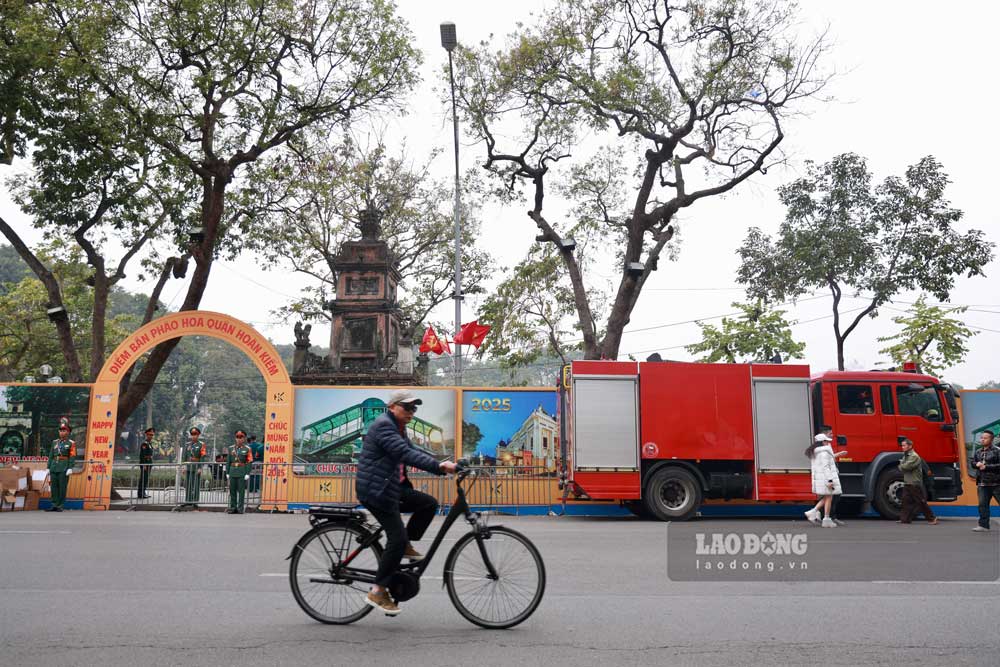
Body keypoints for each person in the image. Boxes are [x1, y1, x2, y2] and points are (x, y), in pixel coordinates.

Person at [356, 390, 457, 614]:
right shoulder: (384, 425)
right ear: (392, 407)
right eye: (407, 407)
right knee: (397, 537)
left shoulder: (399, 429)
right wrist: (440, 467)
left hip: (393, 487)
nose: (411, 412)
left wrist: (441, 463)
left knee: (428, 504)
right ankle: (378, 590)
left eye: (414, 408)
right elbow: (404, 453)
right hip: (377, 491)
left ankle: (404, 546)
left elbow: (414, 450)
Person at [804, 427, 847, 528]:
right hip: (826, 478)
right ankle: (824, 517)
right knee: (829, 497)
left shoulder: (816, 452)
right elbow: (826, 467)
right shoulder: (824, 453)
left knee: (828, 497)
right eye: (826, 441)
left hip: (821, 478)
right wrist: (830, 480)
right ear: (822, 442)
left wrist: (839, 454)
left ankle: (815, 513)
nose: (828, 442)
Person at [897, 437, 939, 525]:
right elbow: (903, 466)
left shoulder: (914, 456)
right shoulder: (906, 455)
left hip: (914, 483)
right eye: (902, 445)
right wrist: (902, 465)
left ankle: (932, 518)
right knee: (906, 501)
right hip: (908, 482)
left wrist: (901, 465)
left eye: (904, 445)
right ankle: (905, 519)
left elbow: (905, 467)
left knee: (920, 501)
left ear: (910, 446)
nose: (902, 447)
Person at [971, 430, 1000, 532]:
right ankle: (983, 526)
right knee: (983, 505)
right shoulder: (978, 451)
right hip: (982, 483)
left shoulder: (997, 451)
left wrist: (986, 467)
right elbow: (972, 462)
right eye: (981, 438)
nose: (982, 439)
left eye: (985, 438)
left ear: (991, 439)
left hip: (996, 483)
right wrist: (976, 464)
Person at [46, 422, 77, 512]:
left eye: (64, 431)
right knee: (54, 487)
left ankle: (60, 505)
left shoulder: (71, 443)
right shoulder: (54, 442)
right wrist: (48, 467)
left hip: (64, 467)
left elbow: (72, 456)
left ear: (68, 432)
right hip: (54, 467)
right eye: (60, 431)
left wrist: (70, 467)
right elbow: (51, 455)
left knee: (62, 487)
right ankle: (54, 504)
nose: (62, 432)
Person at [226, 430, 254, 514]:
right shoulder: (230, 448)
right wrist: (227, 472)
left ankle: (240, 508)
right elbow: (228, 461)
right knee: (232, 490)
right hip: (232, 471)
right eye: (237, 437)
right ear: (235, 438)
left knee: (241, 491)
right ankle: (233, 507)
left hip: (241, 472)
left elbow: (249, 462)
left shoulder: (247, 449)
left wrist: (247, 473)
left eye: (241, 437)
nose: (239, 439)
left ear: (244, 438)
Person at [183, 427, 207, 508]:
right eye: (192, 434)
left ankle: (195, 501)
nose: (194, 436)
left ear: (198, 435)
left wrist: (200, 467)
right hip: (189, 466)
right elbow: (185, 456)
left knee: (196, 484)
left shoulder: (201, 444)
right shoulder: (187, 444)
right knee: (188, 484)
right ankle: (188, 500)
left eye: (195, 434)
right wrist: (184, 466)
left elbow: (202, 457)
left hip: (196, 466)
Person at [138, 427, 155, 499]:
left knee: (146, 478)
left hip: (149, 463)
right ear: (146, 435)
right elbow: (142, 455)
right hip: (145, 464)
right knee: (143, 478)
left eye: (152, 435)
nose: (151, 436)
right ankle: (140, 493)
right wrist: (144, 464)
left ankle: (143, 492)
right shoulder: (144, 444)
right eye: (149, 435)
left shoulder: (149, 443)